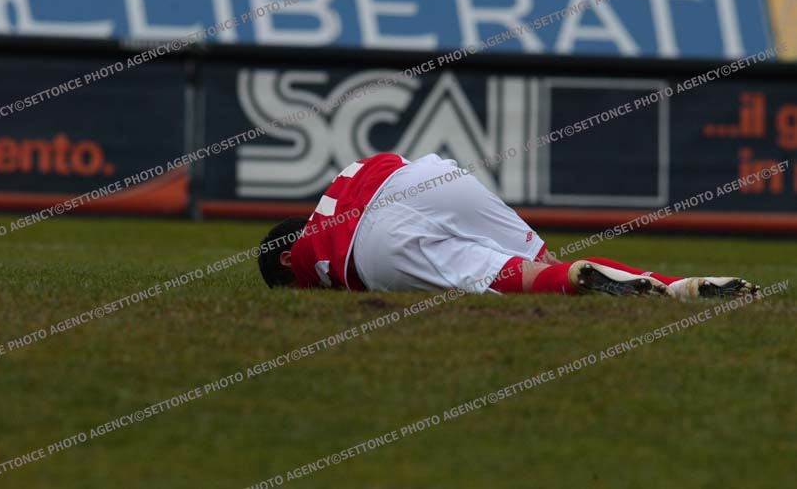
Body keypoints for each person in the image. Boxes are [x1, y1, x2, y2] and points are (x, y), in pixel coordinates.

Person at [257, 153, 757, 298]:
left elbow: (316, 269)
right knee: (545, 262)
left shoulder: (304, 255)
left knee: (530, 281)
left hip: (375, 245)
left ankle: (574, 281)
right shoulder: (338, 188)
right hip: (427, 179)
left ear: (284, 257)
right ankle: (677, 287)